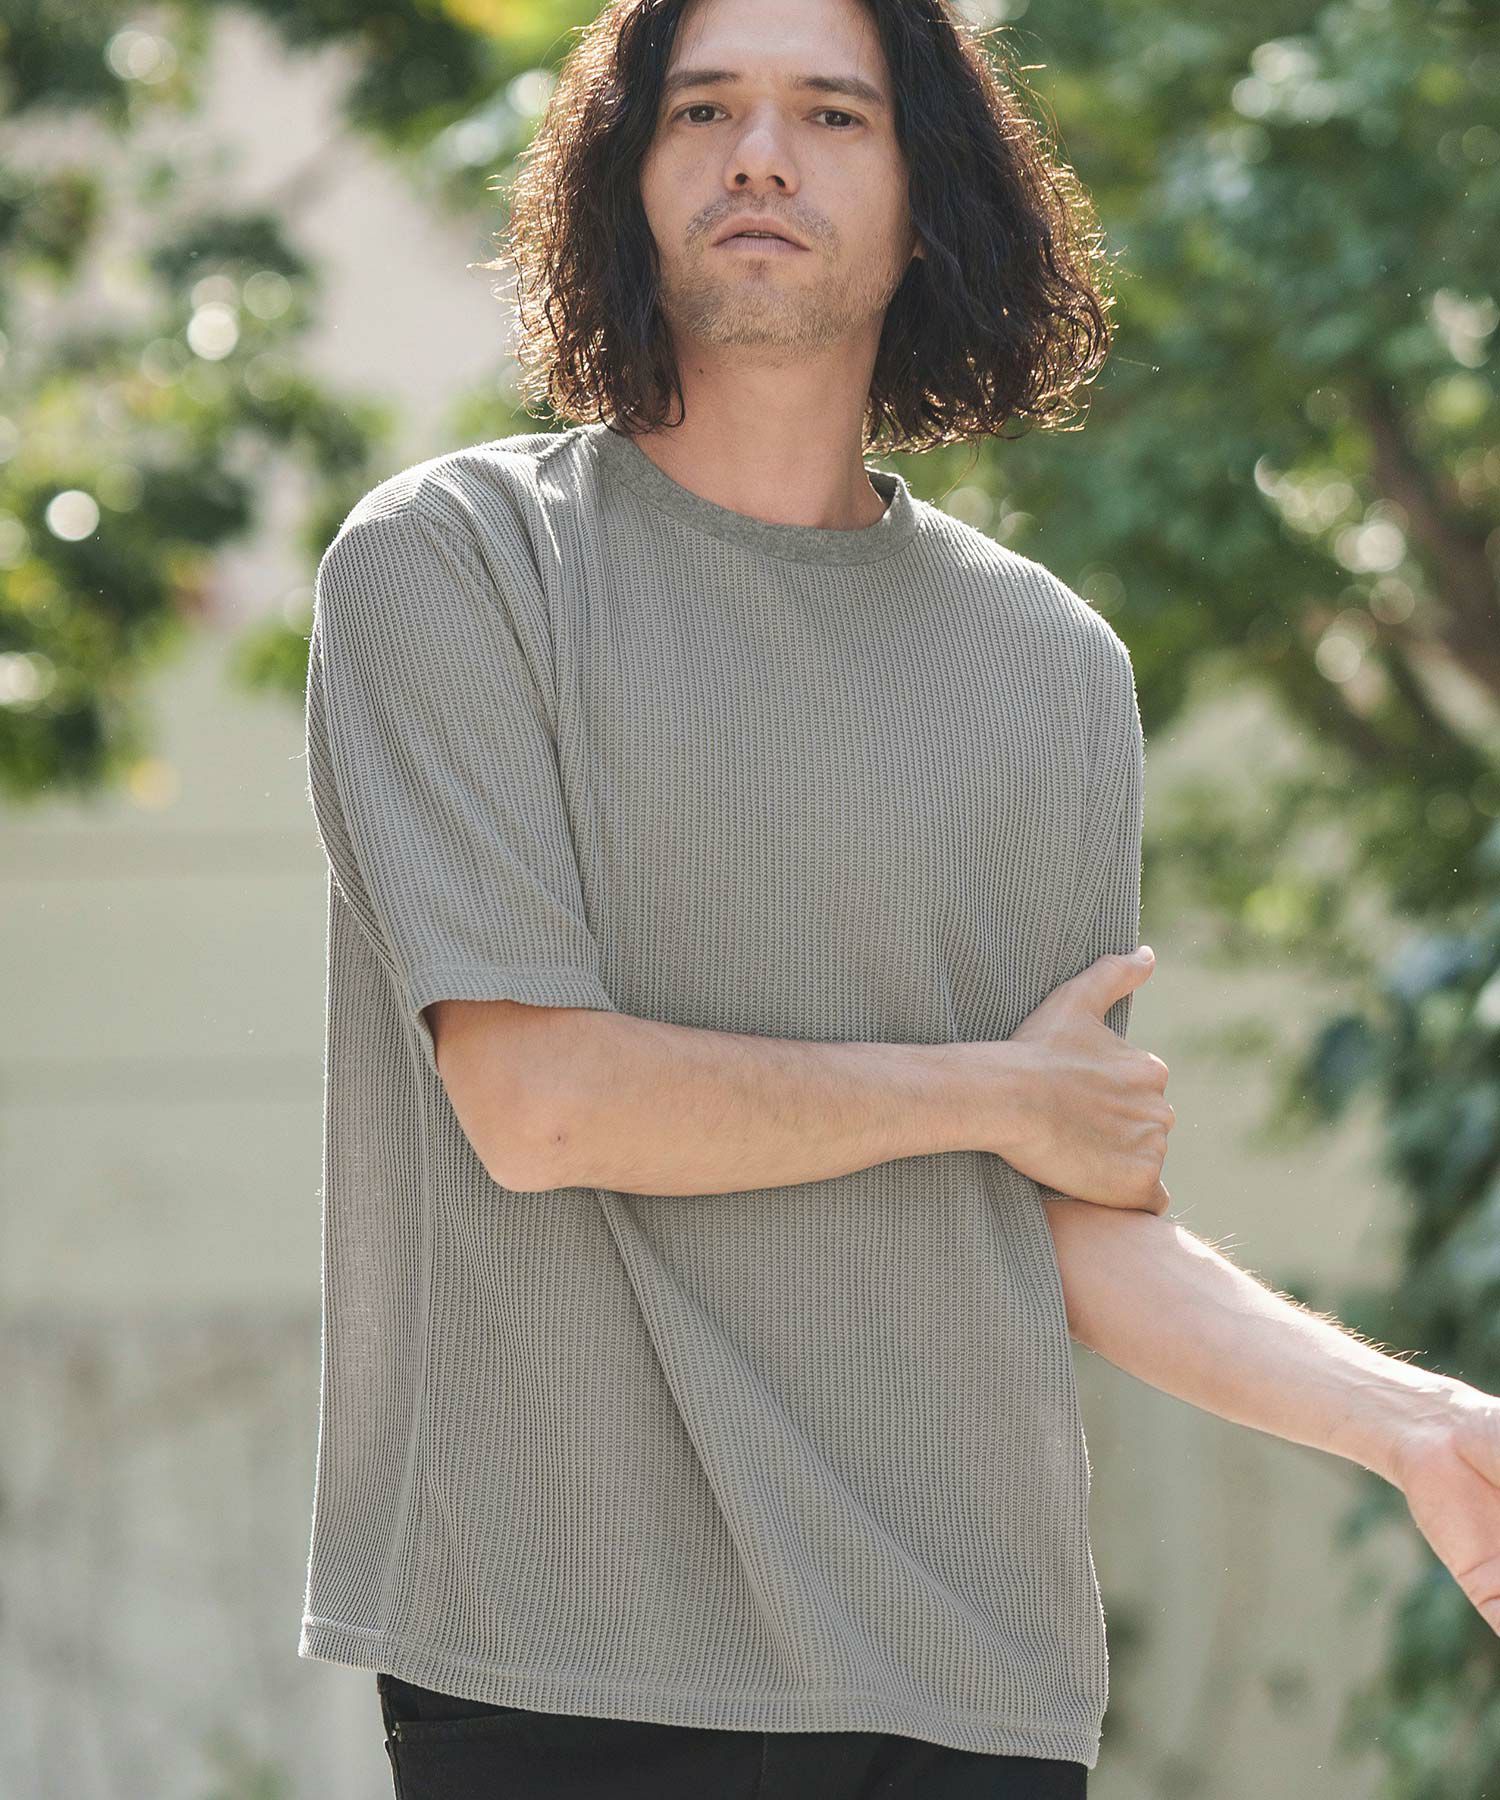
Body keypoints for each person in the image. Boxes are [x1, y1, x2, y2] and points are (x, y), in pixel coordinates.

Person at [297, 0, 1500, 1794]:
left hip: (972, 1678)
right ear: (624, 179)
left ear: (930, 193)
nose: (760, 157)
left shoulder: (1048, 666)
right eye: (702, 109)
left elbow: (1080, 1210)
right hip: (566, 1657)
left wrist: (1420, 1423)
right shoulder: (461, 566)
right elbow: (539, 1103)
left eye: (832, 115)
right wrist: (990, 1093)